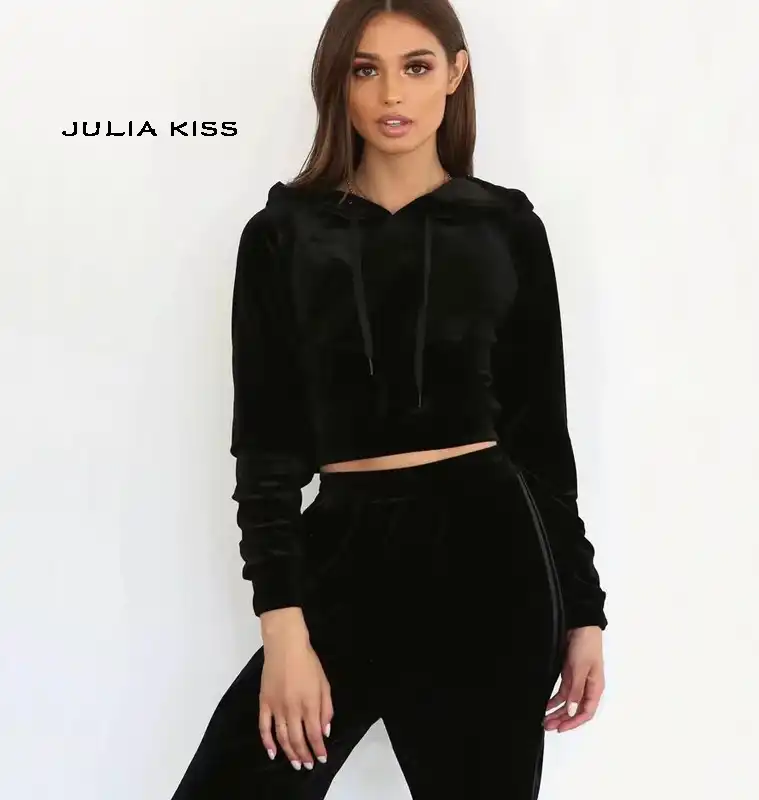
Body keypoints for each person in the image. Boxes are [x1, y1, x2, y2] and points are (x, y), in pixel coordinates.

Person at [170, 1, 608, 797]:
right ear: (337, 83)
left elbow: (542, 438)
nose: (391, 94)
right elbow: (266, 452)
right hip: (344, 554)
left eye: (416, 67)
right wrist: (285, 630)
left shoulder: (506, 228)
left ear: (455, 74)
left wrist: (585, 613)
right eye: (365, 70)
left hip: (491, 562)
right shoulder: (282, 235)